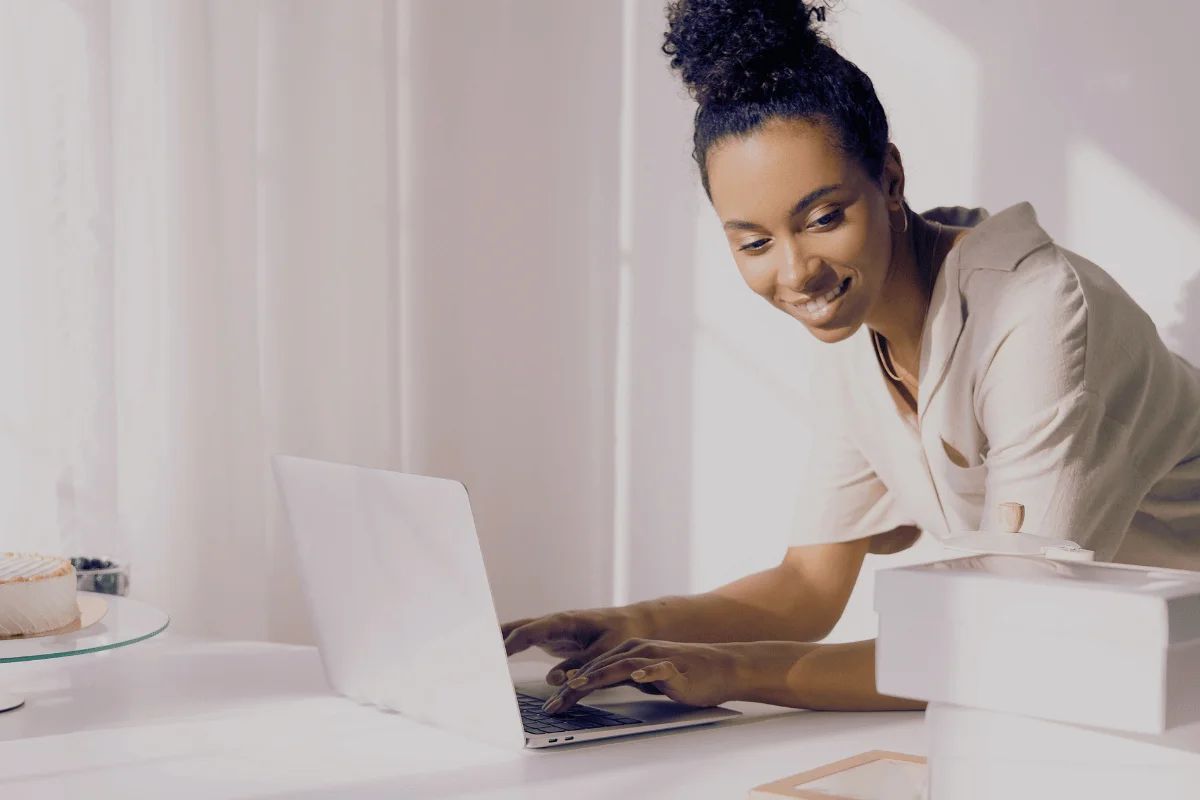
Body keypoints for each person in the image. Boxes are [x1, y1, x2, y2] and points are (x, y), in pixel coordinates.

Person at [503, 0, 1200, 716]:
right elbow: (808, 586)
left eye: (824, 217)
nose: (797, 272)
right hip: (1119, 682)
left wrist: (730, 673)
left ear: (891, 180)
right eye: (754, 242)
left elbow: (1008, 633)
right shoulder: (854, 332)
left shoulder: (1040, 313)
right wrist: (632, 629)